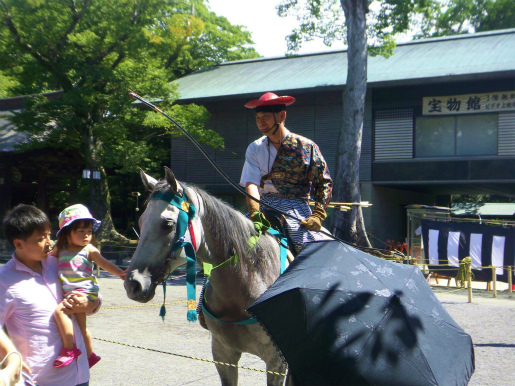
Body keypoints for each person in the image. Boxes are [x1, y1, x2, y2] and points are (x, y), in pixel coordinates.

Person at [0, 204, 101, 386]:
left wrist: (89, 304)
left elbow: (93, 297)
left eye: (49, 235)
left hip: (80, 374)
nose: (49, 242)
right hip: (43, 379)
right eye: (41, 238)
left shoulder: (60, 263)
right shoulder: (5, 280)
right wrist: (11, 355)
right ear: (19, 243)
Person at [240, 92, 333, 254]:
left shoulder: (306, 146)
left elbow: (323, 183)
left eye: (266, 117)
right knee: (234, 241)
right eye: (257, 118)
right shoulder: (254, 148)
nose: (260, 123)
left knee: (313, 248)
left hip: (295, 206)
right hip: (263, 204)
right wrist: (255, 213)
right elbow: (251, 184)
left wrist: (318, 215)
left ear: (281, 116)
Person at [50, 204, 126, 369]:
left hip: (85, 293)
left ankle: (69, 350)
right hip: (71, 294)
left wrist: (120, 273)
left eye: (89, 231)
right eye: (81, 231)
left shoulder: (89, 249)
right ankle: (90, 355)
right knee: (81, 327)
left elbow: (104, 263)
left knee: (60, 311)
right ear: (67, 232)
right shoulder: (60, 249)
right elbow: (47, 258)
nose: (86, 235)